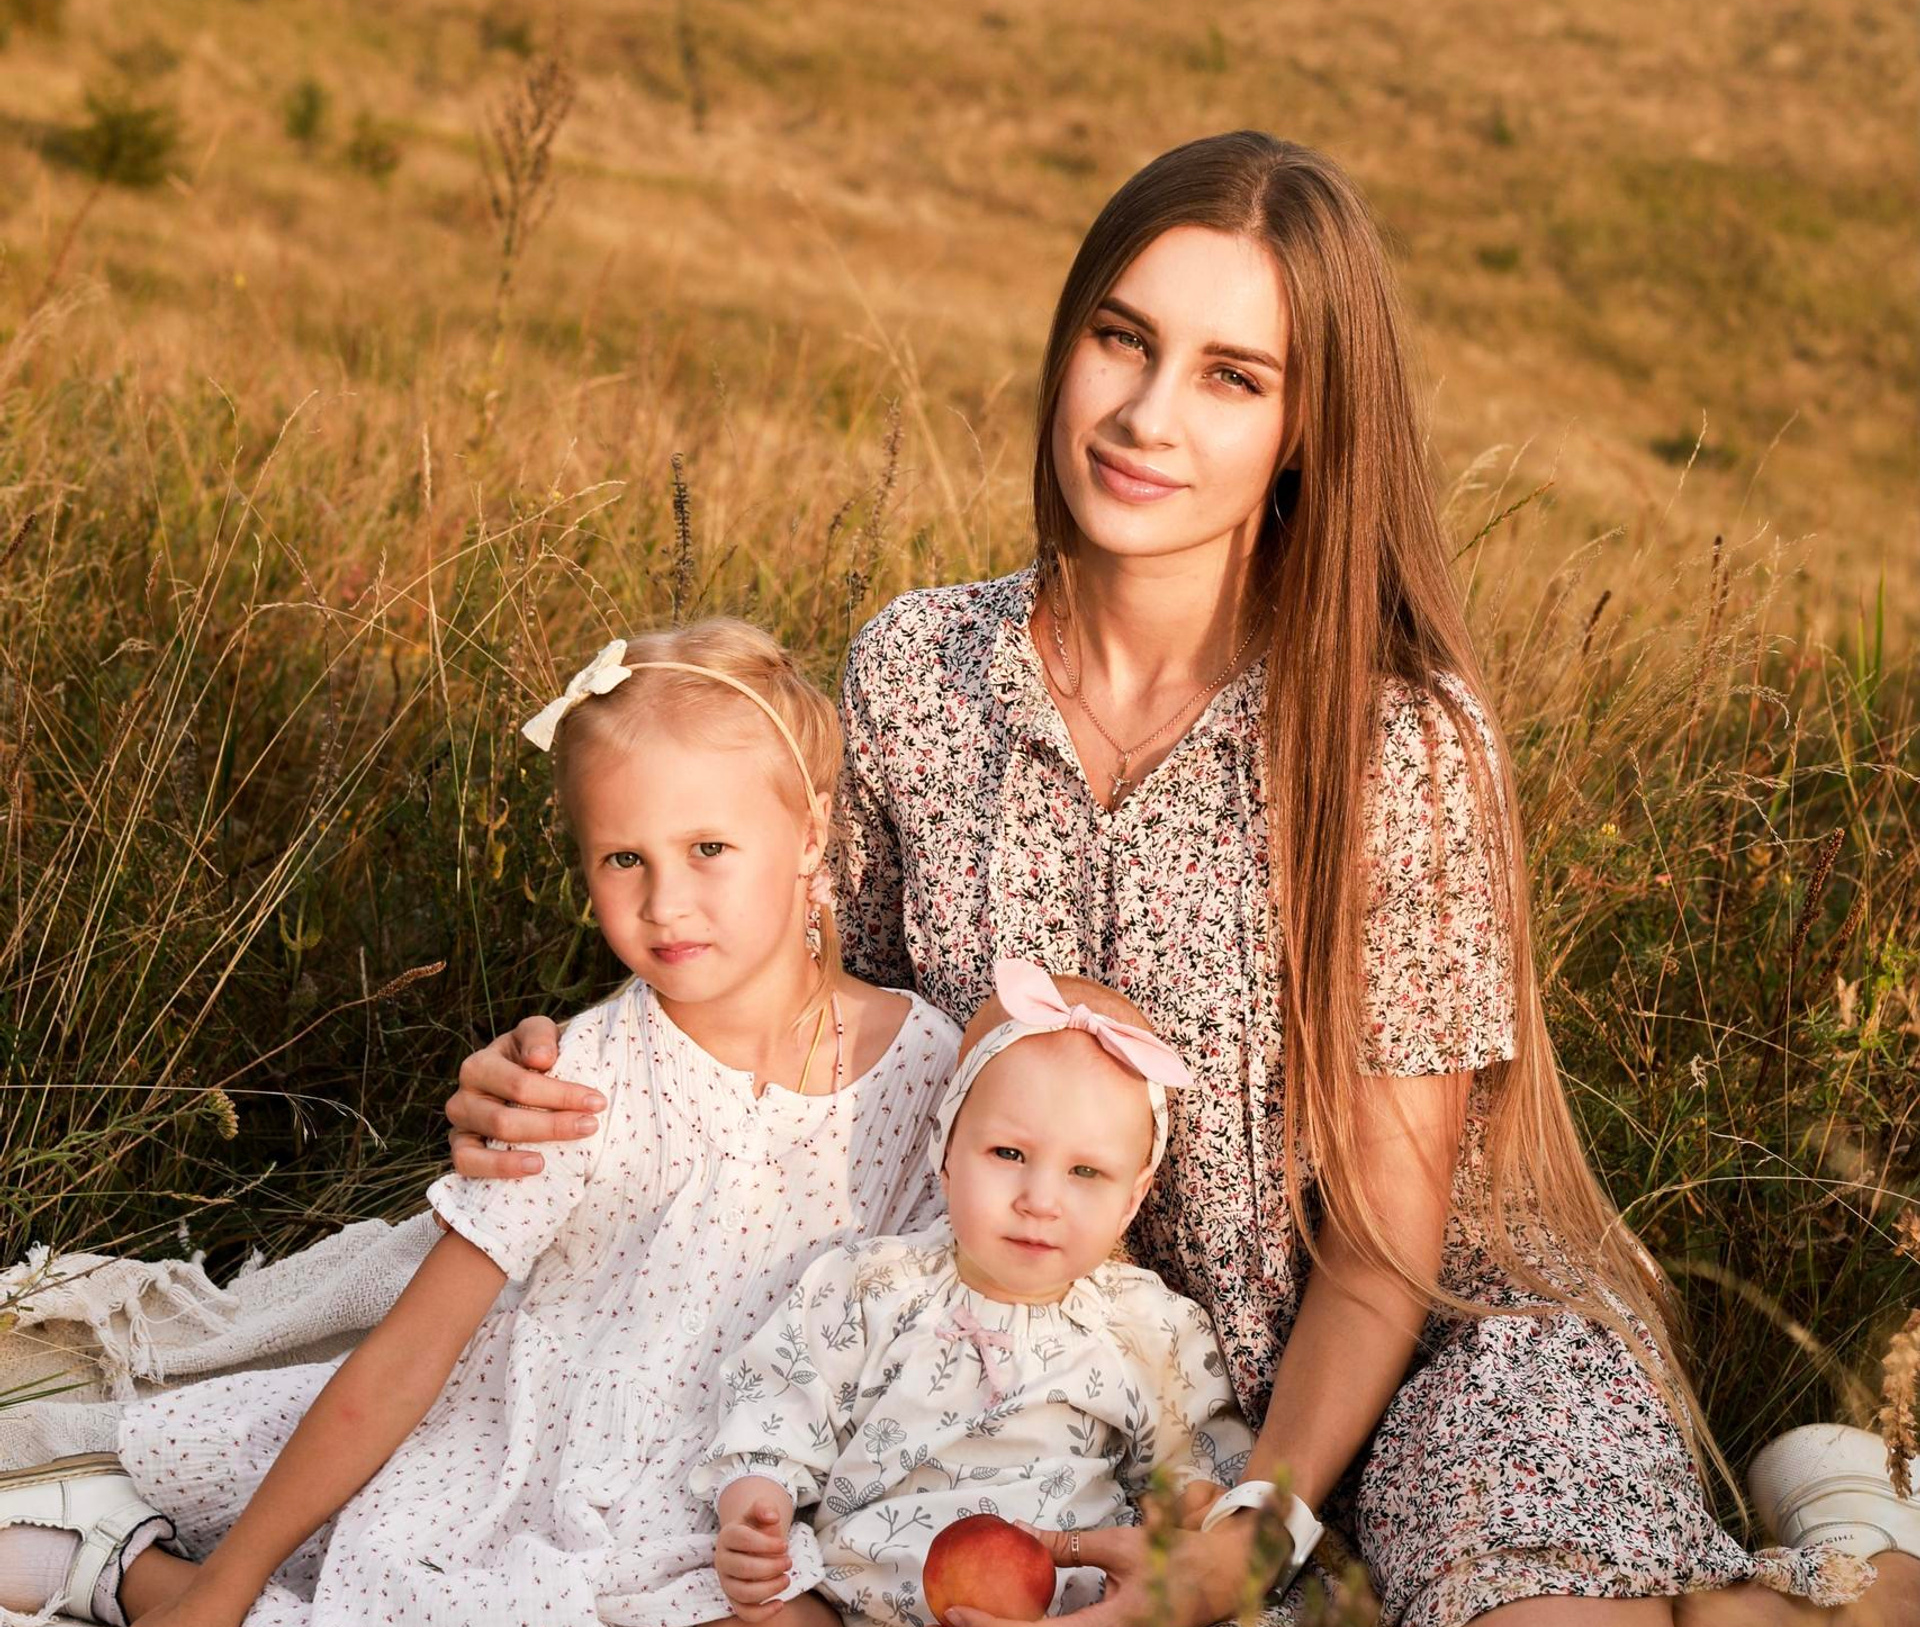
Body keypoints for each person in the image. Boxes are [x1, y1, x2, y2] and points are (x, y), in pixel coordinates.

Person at [447, 134, 1920, 1626]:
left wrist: (1257, 1520)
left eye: (1233, 375)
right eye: (1122, 340)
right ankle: (1830, 1495)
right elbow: (809, 1032)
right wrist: (570, 1079)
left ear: (1307, 426)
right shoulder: (920, 671)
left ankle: (1861, 1541)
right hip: (1052, 1374)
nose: (1148, 416)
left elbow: (1392, 1243)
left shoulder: (1393, 737)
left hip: (1416, 1343)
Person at [0, 620, 959, 1627]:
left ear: (809, 833)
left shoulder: (925, 1069)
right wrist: (230, 1586)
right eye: (622, 858)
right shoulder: (578, 1081)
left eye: (710, 848)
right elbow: (413, 1349)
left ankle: (124, 1568)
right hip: (539, 1468)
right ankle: (142, 1575)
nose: (667, 902)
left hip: (743, 1493)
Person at [691, 959, 1263, 1627]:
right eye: (1008, 1155)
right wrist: (755, 1514)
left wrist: (1192, 1510)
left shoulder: (1147, 1327)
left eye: (1085, 1172)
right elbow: (777, 1410)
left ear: (1132, 1200)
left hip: (1059, 1611)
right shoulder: (871, 1284)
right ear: (946, 1148)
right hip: (856, 1602)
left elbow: (1197, 1461)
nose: (1040, 1200)